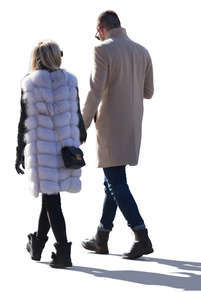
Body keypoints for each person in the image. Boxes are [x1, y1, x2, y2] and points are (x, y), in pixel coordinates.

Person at [81, 10, 154, 259]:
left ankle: (141, 234)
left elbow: (95, 92)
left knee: (116, 182)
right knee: (112, 181)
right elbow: (149, 91)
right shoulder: (142, 51)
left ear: (101, 29)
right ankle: (102, 237)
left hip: (111, 126)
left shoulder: (102, 50)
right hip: (133, 124)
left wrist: (82, 125)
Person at [15, 40, 87, 268]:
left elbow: (24, 121)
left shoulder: (30, 83)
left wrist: (19, 152)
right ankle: (36, 245)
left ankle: (64, 252)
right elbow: (77, 116)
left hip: (42, 151)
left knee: (52, 201)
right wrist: (80, 137)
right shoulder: (70, 81)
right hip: (65, 147)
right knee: (50, 198)